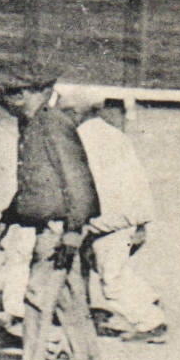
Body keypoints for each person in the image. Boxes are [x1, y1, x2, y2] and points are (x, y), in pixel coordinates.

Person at [0, 70, 103, 360]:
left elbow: (78, 180)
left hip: (59, 228)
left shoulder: (53, 124)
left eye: (10, 94)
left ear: (29, 93)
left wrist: (73, 232)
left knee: (37, 299)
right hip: (53, 226)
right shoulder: (31, 124)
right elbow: (36, 183)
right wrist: (7, 219)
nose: (6, 102)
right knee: (71, 305)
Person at [57, 88, 165, 342]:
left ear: (75, 112)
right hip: (126, 216)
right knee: (107, 266)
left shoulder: (79, 138)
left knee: (112, 280)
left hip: (107, 219)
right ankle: (148, 298)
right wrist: (141, 222)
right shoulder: (113, 134)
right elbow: (137, 179)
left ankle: (151, 323)